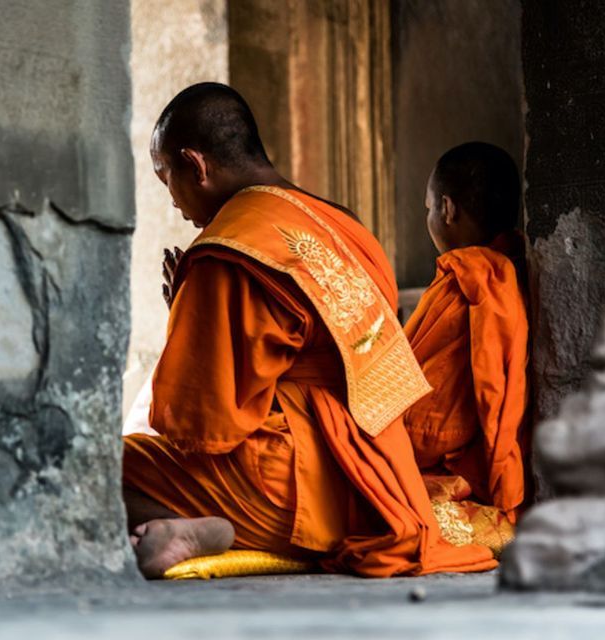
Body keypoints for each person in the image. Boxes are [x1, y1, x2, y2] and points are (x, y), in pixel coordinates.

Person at [122, 82, 496, 578]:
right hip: (373, 480)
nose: (172, 201)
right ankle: (193, 523)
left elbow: (201, 423)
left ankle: (201, 523)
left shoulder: (231, 248)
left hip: (288, 489)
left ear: (196, 165)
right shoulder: (345, 225)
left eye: (166, 177)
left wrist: (185, 316)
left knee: (86, 466)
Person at [402, 142, 530, 550]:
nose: (430, 218)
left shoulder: (468, 283)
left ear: (448, 208)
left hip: (447, 470)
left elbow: (429, 429)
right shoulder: (513, 270)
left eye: (428, 209)